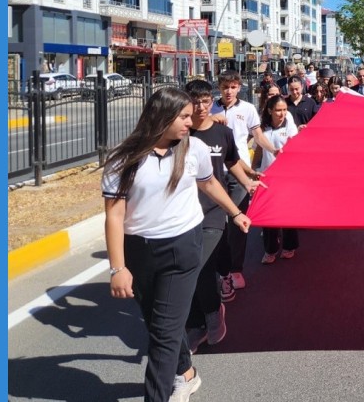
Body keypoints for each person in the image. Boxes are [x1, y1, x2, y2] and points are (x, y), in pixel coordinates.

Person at [102, 86, 252, 402]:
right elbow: (114, 216)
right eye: (183, 116)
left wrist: (236, 213)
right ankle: (186, 373)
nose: (191, 120)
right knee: (157, 323)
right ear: (163, 115)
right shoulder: (124, 159)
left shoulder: (193, 149)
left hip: (183, 247)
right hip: (139, 250)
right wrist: (118, 268)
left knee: (165, 336)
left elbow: (209, 182)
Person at [183, 80, 263, 354]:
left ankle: (212, 312)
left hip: (213, 211)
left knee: (201, 266)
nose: (202, 107)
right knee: (187, 271)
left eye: (207, 101)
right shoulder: (180, 134)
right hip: (183, 213)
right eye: (196, 101)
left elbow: (232, 162)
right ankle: (196, 323)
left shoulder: (222, 133)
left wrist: (247, 183)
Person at [209, 71, 276, 301]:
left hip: (240, 173)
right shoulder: (210, 108)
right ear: (219, 87)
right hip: (214, 173)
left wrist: (274, 150)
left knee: (239, 224)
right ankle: (221, 270)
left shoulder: (247, 109)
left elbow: (257, 135)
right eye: (225, 86)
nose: (229, 91)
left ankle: (236, 269)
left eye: (233, 87)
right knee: (217, 225)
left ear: (239, 88)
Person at [257, 94, 300, 264]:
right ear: (270, 111)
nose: (282, 114)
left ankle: (289, 246)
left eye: (284, 110)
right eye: (278, 111)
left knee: (287, 212)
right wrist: (253, 169)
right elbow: (259, 149)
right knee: (268, 214)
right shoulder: (263, 128)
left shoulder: (290, 126)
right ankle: (270, 249)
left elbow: (295, 148)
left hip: (287, 176)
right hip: (267, 175)